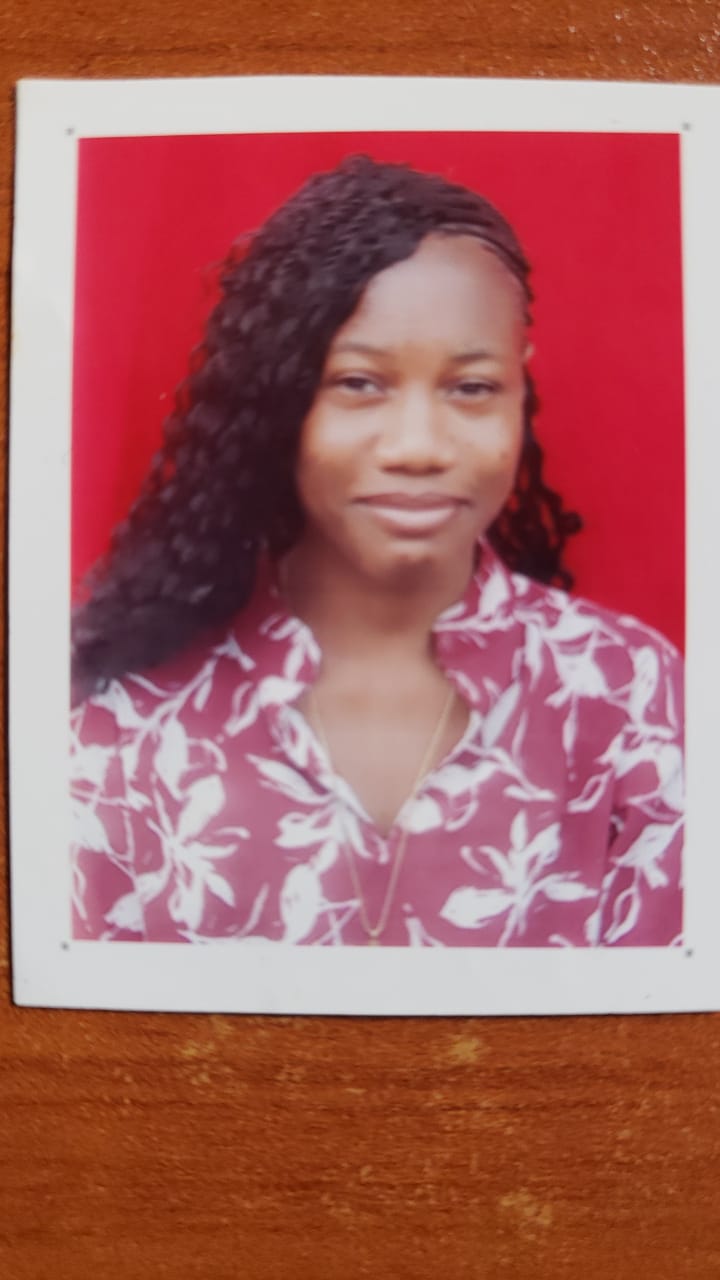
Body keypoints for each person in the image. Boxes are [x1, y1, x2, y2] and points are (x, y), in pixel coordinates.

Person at [70, 155, 683, 948]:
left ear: (520, 391)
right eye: (359, 383)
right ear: (279, 397)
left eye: (471, 387)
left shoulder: (635, 698)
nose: (418, 447)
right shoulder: (121, 712)